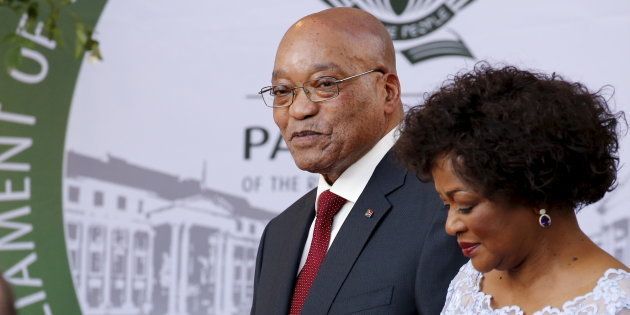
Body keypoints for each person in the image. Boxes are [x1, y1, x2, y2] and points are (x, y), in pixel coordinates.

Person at [251, 7, 466, 315]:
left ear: (388, 92)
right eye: (283, 91)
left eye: (325, 84)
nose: (298, 110)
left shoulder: (445, 208)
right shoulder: (279, 234)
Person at [395, 64, 630, 314]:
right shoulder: (469, 284)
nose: (451, 226)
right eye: (446, 205)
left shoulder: (616, 304)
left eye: (465, 205)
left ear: (536, 188)